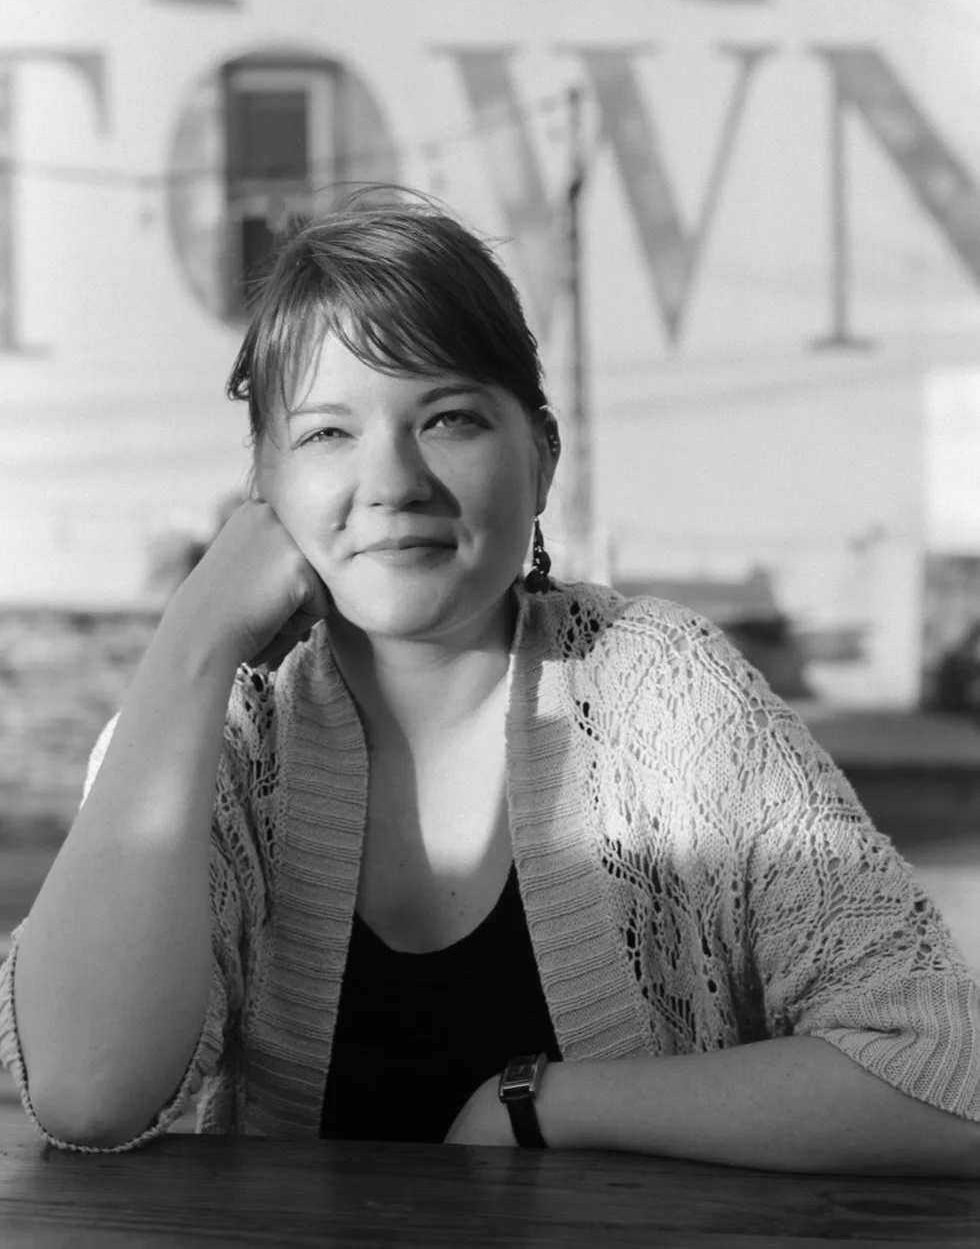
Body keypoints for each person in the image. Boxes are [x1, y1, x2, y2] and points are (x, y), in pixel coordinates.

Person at [2, 190, 980, 1175]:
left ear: (541, 458)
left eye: (450, 417)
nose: (392, 481)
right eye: (326, 434)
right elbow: (86, 1095)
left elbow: (945, 1073)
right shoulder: (210, 736)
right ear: (261, 482)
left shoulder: (668, 698)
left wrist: (543, 1104)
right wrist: (195, 640)